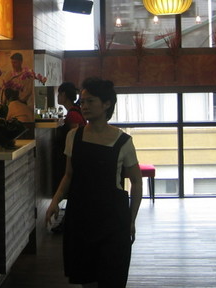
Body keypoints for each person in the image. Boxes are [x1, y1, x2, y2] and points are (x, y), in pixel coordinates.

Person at [45, 77, 142, 288]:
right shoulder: (74, 136)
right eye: (82, 101)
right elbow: (69, 175)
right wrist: (55, 202)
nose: (84, 106)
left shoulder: (124, 141)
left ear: (106, 104)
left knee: (112, 277)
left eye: (90, 101)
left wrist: (131, 219)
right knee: (86, 277)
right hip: (81, 217)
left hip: (113, 218)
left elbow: (136, 181)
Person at [51, 82, 86, 233]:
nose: (58, 96)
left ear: (64, 95)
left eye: (59, 94)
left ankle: (68, 223)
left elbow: (76, 140)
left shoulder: (72, 115)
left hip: (76, 160)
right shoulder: (74, 112)